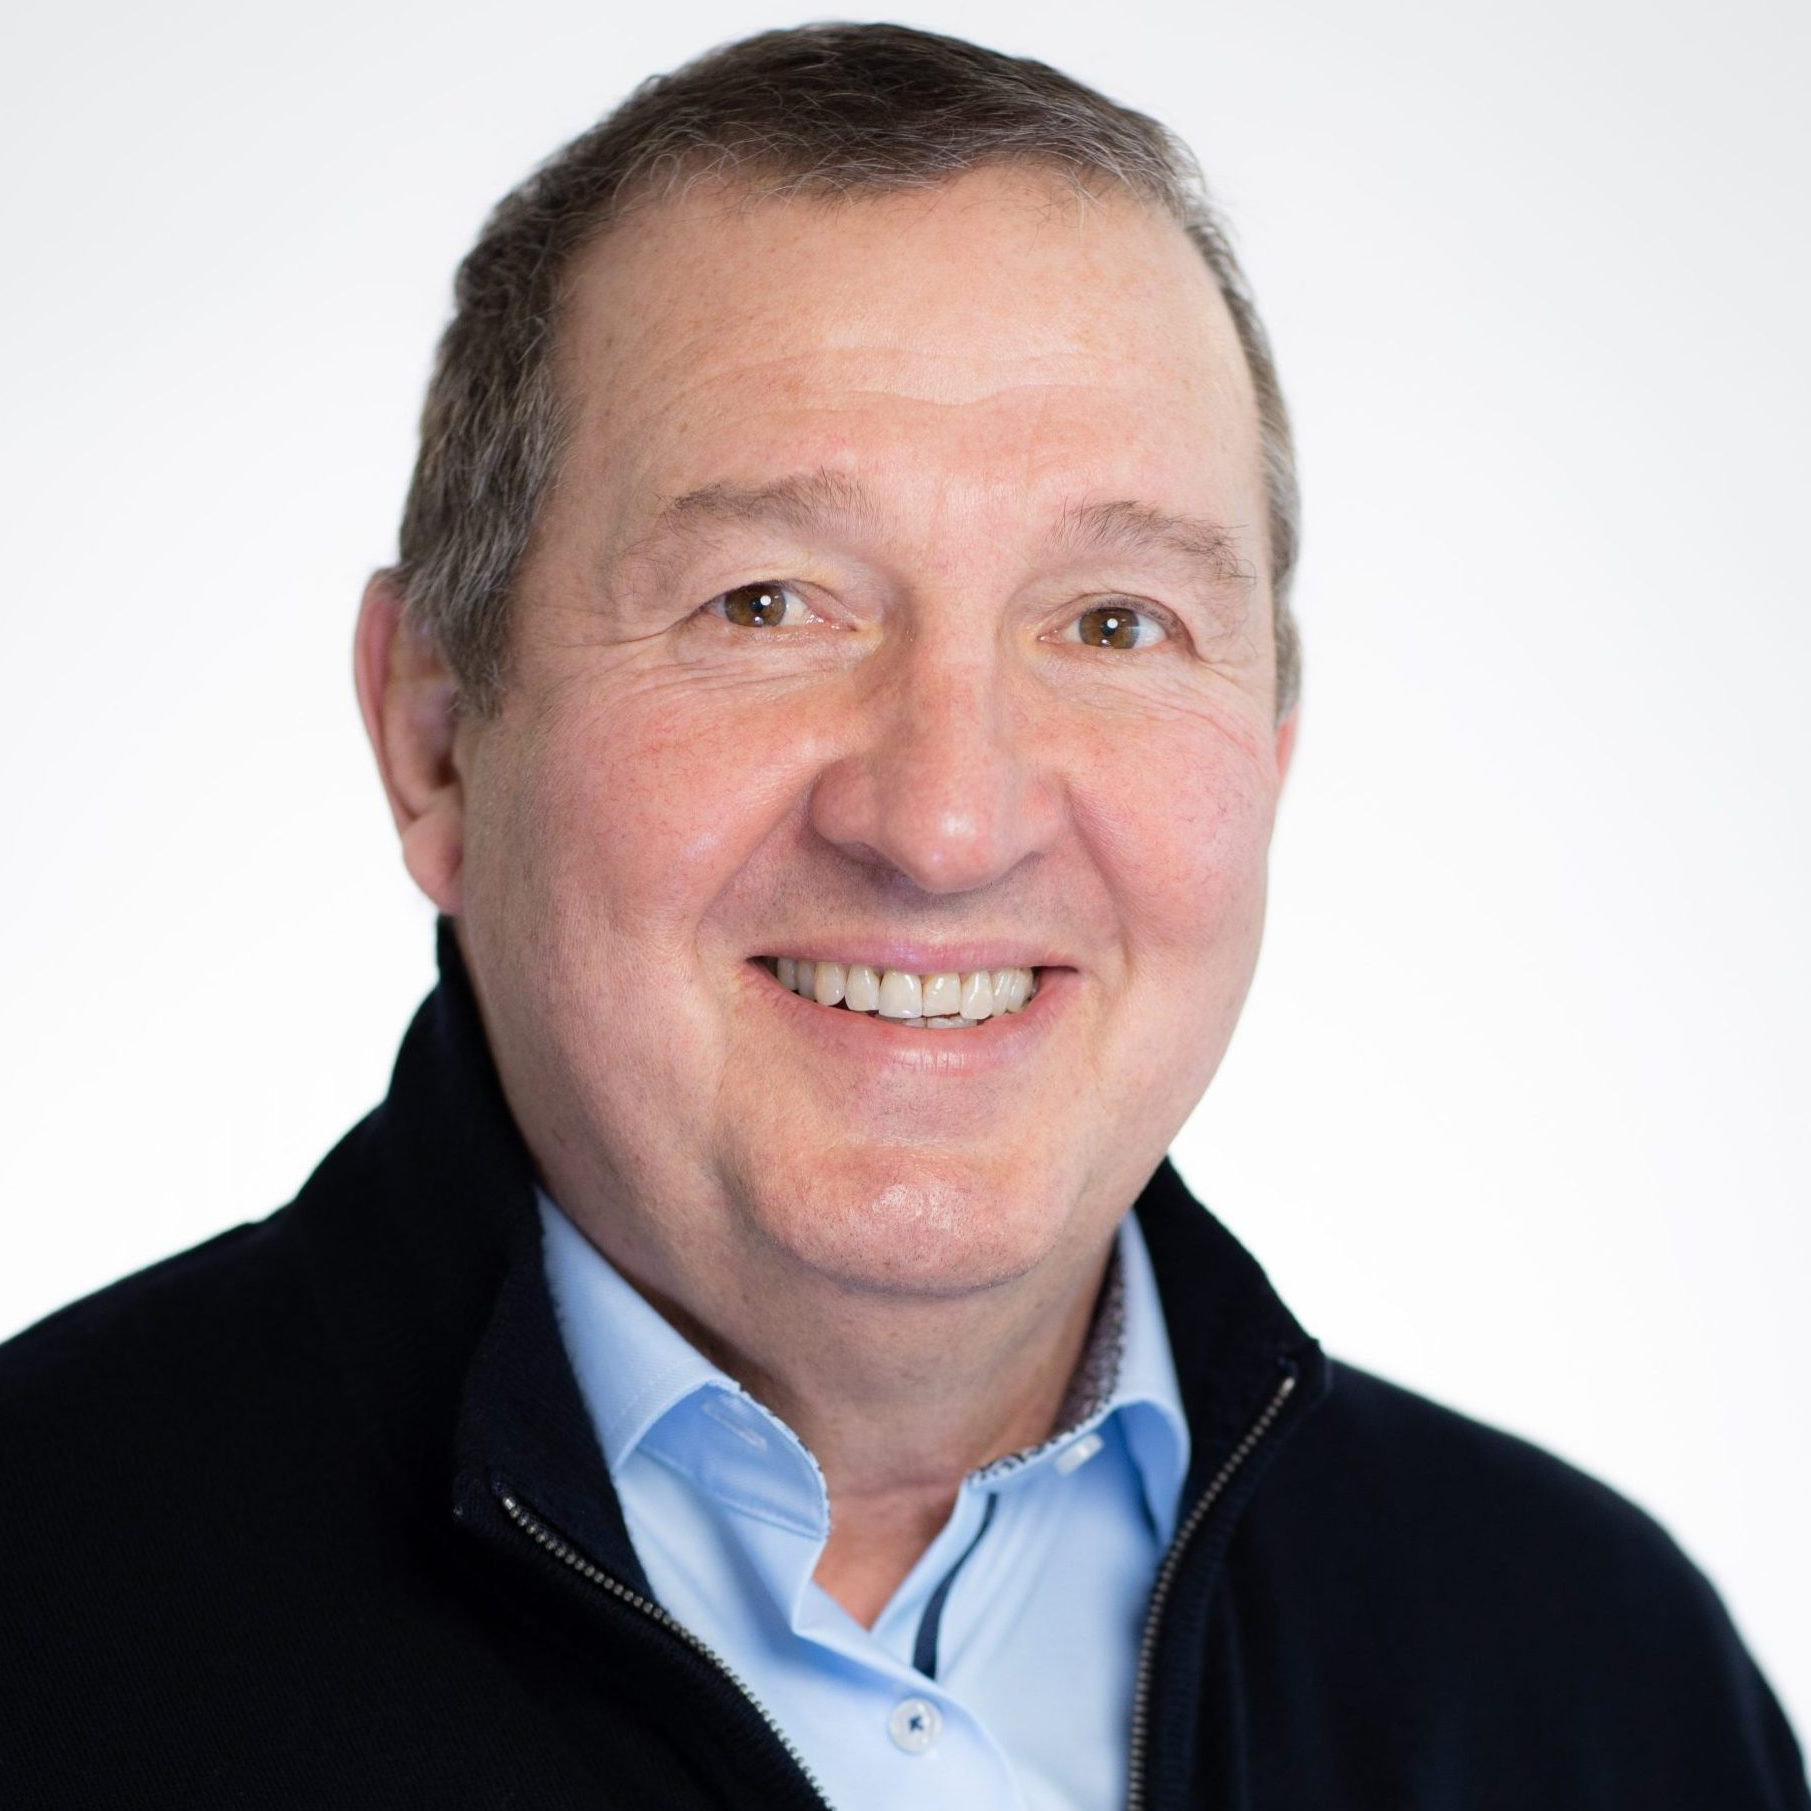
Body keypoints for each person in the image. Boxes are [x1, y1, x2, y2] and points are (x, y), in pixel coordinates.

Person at [1, 22, 1803, 1809]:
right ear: (437, 737)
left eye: (1113, 623)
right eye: (766, 603)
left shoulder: (1601, 1683)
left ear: (1268, 751)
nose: (945, 825)